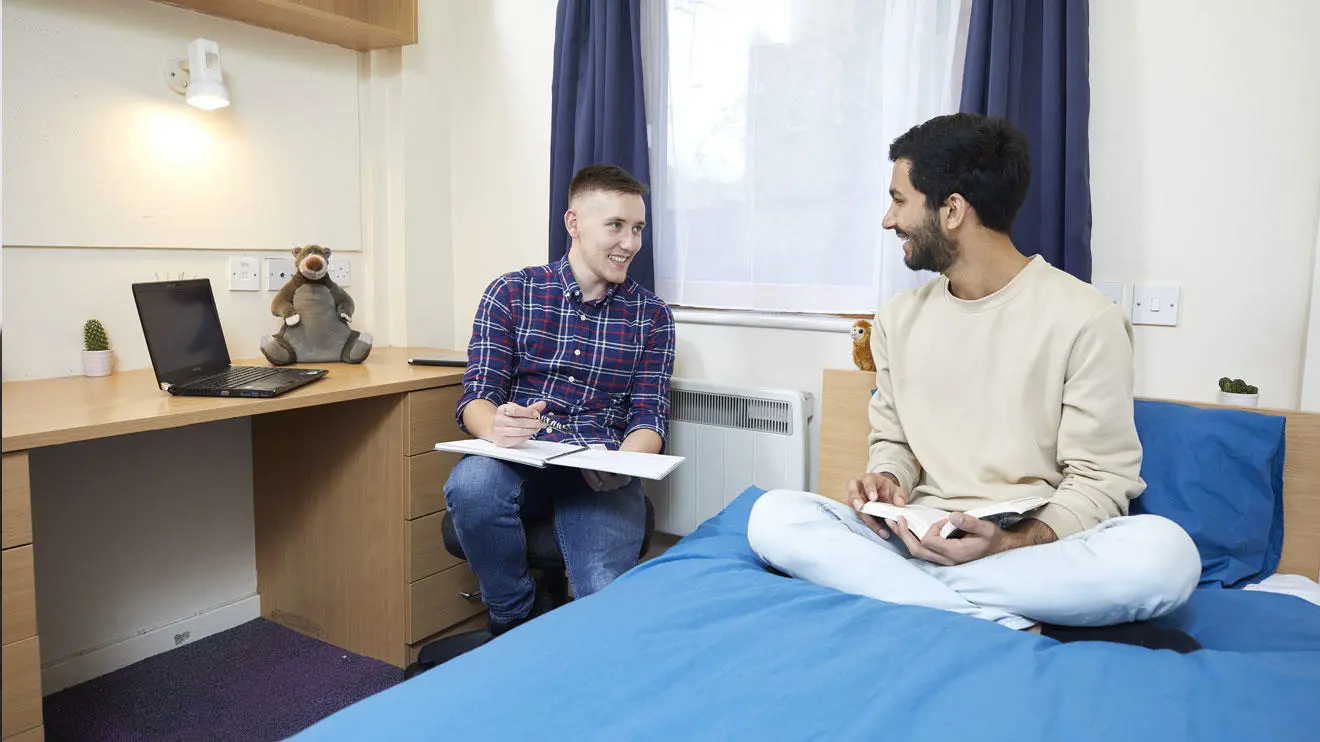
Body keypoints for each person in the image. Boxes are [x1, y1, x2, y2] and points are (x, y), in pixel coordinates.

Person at [746, 113, 1203, 650]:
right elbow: (893, 442)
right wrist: (886, 480)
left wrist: (1006, 545)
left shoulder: (1086, 318)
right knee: (774, 516)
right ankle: (986, 615)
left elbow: (1100, 479)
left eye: (899, 199)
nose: (888, 219)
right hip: (916, 538)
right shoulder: (898, 318)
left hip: (1028, 548)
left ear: (953, 210)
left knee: (1166, 556)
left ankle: (914, 595)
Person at [444, 164, 676, 637]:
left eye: (637, 229)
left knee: (604, 610)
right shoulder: (511, 292)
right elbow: (477, 396)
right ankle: (514, 617)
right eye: (616, 226)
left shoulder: (652, 316)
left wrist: (627, 464)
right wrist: (495, 425)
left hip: (600, 471)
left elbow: (649, 415)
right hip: (521, 458)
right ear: (574, 223)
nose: (630, 244)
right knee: (471, 485)